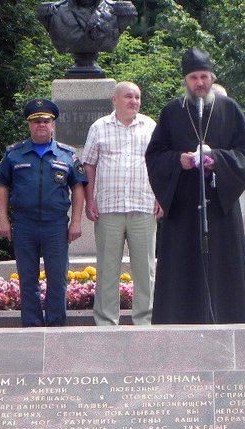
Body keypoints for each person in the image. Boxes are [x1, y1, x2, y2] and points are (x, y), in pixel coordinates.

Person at [145, 47, 245, 324]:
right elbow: (155, 155)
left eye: (204, 77)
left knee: (224, 268)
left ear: (212, 77)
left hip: (220, 207)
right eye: (194, 77)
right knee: (182, 268)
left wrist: (217, 159)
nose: (199, 83)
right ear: (186, 80)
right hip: (183, 207)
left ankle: (228, 323)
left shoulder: (229, 109)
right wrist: (178, 161)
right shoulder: (172, 111)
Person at [0, 99, 87, 327]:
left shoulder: (67, 155)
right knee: (27, 279)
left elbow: (78, 187)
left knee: (57, 279)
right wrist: (3, 219)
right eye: (36, 121)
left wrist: (76, 221)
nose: (41, 125)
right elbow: (2, 185)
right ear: (29, 124)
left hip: (55, 225)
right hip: (24, 224)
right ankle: (32, 326)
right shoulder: (14, 154)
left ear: (53, 124)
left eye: (45, 121)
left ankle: (56, 325)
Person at [82, 82, 162, 326]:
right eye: (128, 96)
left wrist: (160, 196)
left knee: (146, 270)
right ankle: (106, 322)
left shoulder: (150, 126)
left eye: (137, 97)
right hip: (109, 208)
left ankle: (144, 321)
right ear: (114, 100)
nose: (134, 101)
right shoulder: (99, 127)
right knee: (107, 269)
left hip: (143, 205)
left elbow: (159, 164)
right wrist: (90, 199)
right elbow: (89, 164)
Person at [211, 83, 245, 258]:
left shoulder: (243, 131)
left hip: (238, 199)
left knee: (238, 257)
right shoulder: (194, 130)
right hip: (203, 200)